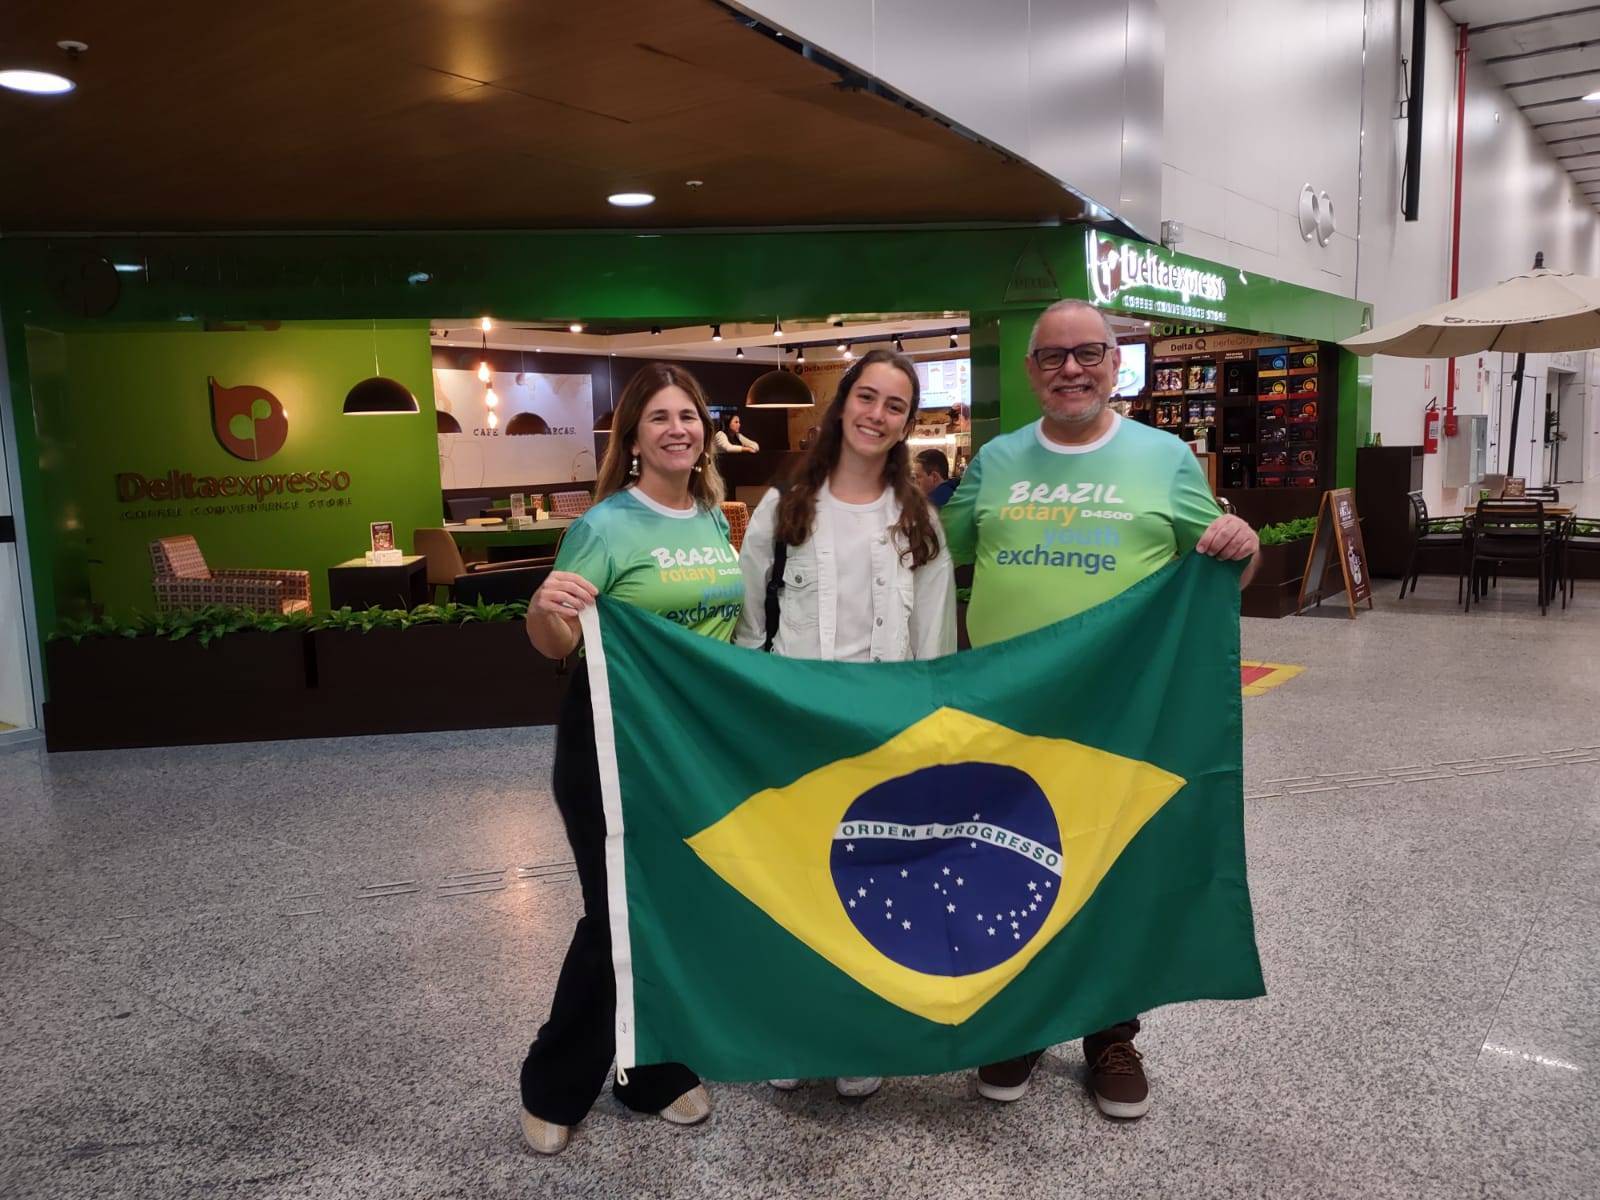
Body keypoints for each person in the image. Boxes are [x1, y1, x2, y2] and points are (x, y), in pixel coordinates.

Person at [940, 299, 1259, 1120]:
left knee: (1112, 870)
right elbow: (931, 558)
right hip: (1005, 712)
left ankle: (1111, 1035)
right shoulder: (996, 461)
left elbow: (1224, 568)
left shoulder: (1165, 459)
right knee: (1011, 868)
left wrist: (1243, 547)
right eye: (1053, 357)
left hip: (1122, 715)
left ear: (1117, 363)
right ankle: (1020, 1022)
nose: (1071, 370)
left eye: (1088, 354)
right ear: (1030, 370)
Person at [518, 363, 744, 1156]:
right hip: (610, 742)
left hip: (690, 744)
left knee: (676, 912)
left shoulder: (713, 517)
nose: (679, 428)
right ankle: (553, 1082)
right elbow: (559, 642)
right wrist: (544, 612)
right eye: (660, 418)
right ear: (635, 438)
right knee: (614, 916)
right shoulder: (608, 526)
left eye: (690, 415)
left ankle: (649, 1070)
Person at [735, 347, 956, 1097]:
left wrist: (927, 733)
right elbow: (750, 624)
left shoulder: (918, 518)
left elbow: (935, 637)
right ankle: (795, 1032)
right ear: (842, 405)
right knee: (795, 880)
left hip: (883, 732)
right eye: (867, 397)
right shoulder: (786, 504)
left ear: (906, 424)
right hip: (795, 726)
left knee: (868, 881)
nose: (877, 415)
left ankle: (859, 1030)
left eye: (895, 406)